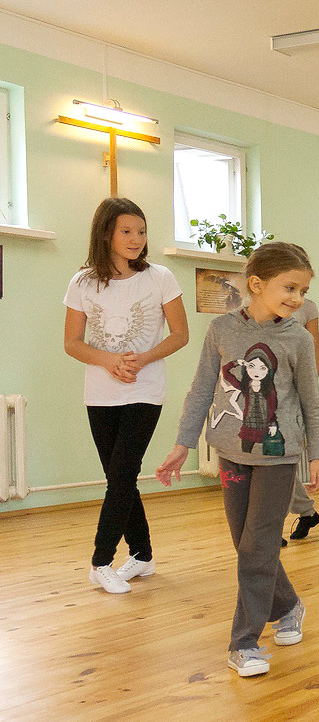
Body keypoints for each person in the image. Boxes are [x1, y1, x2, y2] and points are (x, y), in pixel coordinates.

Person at [157, 242, 319, 678]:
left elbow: (311, 401)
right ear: (256, 284)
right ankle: (288, 605)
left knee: (258, 545)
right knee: (246, 543)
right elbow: (201, 389)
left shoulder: (298, 338)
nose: (297, 298)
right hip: (231, 454)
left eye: (303, 291)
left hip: (278, 457)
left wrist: (318, 455)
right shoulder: (221, 330)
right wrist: (183, 443)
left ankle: (244, 642)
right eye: (289, 287)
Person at [64, 197, 189, 594]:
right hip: (100, 394)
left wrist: (141, 359)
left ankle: (100, 561)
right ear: (106, 234)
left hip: (145, 390)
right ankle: (143, 555)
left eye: (142, 231)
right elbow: (72, 342)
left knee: (121, 475)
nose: (137, 239)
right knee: (120, 478)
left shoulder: (160, 277)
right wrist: (108, 361)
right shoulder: (82, 282)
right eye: (127, 231)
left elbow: (180, 334)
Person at [284, 297, 319, 545]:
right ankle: (307, 511)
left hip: (293, 391)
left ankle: (270, 528)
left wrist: (309, 386)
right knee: (272, 463)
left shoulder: (308, 307)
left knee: (278, 461)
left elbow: (315, 348)